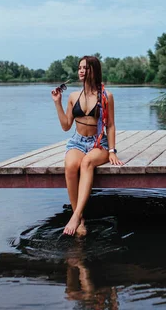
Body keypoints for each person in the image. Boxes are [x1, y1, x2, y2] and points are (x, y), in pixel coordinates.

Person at [51, 56, 123, 236]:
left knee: (87, 164)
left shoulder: (106, 96)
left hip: (98, 143)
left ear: (95, 70)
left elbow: (111, 125)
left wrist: (112, 151)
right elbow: (66, 126)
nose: (81, 71)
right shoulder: (74, 96)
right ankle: (80, 218)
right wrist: (57, 103)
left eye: (86, 68)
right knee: (70, 166)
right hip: (77, 141)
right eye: (80, 68)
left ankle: (75, 216)